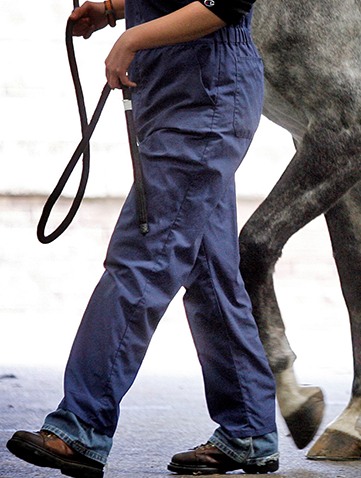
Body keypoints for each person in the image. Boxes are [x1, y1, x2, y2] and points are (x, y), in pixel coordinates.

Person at [5, 0, 277, 476]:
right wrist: (115, 9)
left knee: (141, 263)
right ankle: (248, 430)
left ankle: (81, 426)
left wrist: (132, 37)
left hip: (204, 96)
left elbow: (225, 3)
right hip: (183, 92)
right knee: (210, 271)